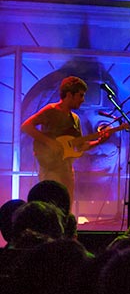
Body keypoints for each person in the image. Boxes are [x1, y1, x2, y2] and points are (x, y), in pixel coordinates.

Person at [21, 76, 109, 207]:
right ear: (69, 94)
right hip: (50, 168)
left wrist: (99, 141)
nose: (83, 99)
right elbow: (26, 126)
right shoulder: (51, 110)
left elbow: (80, 146)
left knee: (66, 205)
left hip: (67, 169)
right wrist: (49, 142)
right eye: (80, 95)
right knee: (51, 204)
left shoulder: (75, 118)